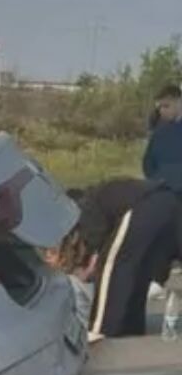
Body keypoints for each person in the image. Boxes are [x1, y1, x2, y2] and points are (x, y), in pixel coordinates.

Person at [62, 179, 182, 339]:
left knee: (114, 267)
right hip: (169, 201)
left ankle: (101, 329)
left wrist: (91, 264)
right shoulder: (101, 198)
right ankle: (131, 328)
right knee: (138, 274)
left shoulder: (86, 206)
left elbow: (99, 244)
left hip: (144, 205)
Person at [143, 85, 182, 188]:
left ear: (179, 102)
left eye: (166, 106)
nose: (161, 111)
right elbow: (148, 163)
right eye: (159, 107)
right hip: (162, 192)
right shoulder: (158, 133)